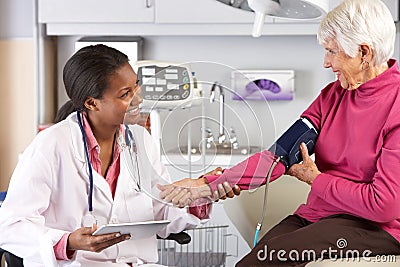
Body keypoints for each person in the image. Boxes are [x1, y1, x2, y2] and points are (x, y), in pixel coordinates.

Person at [158, 0, 400, 265]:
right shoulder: (332, 96)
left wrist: (316, 180)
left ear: (363, 52)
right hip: (319, 215)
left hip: (374, 227)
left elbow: (383, 204)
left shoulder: (396, 106)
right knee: (248, 262)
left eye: (332, 51)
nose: (326, 63)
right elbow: (280, 155)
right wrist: (206, 186)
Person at [0, 44, 235, 266]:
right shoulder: (51, 146)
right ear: (92, 103)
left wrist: (201, 193)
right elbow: (11, 226)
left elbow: (160, 214)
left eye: (136, 86)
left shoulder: (140, 141)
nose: (139, 99)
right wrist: (68, 242)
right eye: (125, 94)